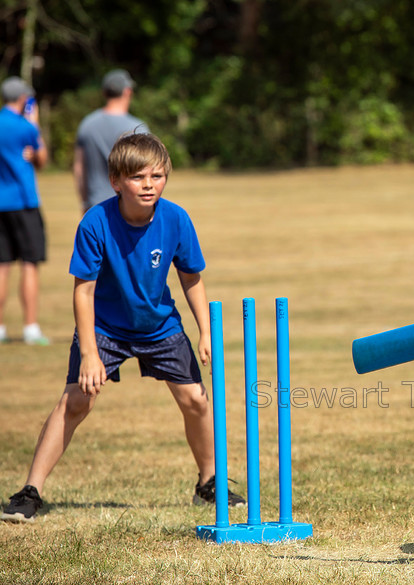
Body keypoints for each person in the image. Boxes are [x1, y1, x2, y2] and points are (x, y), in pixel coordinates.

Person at [1, 133, 244, 524]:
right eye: (138, 177)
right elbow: (84, 292)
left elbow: (191, 278)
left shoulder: (176, 219)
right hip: (105, 327)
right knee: (77, 400)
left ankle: (209, 482)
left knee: (197, 400)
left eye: (158, 176)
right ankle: (30, 492)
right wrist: (91, 354)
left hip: (159, 324)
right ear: (116, 181)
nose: (149, 185)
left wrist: (205, 331)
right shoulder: (96, 222)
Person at [0, 76, 49, 345]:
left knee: (2, 266)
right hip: (23, 201)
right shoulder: (25, 127)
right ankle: (30, 327)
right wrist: (35, 122)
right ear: (22, 99)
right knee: (30, 263)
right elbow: (42, 158)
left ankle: (0, 328)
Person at [74, 69, 148, 213]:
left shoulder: (87, 124)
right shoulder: (137, 127)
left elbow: (79, 169)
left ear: (104, 93)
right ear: (127, 92)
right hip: (129, 204)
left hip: (96, 204)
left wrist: (84, 202)